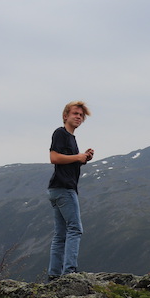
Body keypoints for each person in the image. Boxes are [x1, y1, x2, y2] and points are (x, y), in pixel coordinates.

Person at [47, 100, 94, 280]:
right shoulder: (61, 133)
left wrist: (83, 158)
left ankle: (54, 276)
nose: (78, 117)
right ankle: (69, 273)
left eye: (81, 115)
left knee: (60, 235)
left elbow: (65, 159)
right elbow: (54, 157)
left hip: (57, 189)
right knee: (75, 229)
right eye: (75, 113)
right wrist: (78, 156)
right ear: (65, 116)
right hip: (64, 189)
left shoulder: (70, 138)